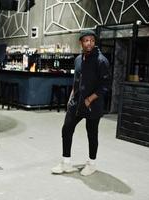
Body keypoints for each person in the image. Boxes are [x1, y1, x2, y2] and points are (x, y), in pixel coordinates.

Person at [51, 29, 111, 176]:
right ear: (81, 42)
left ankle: (92, 163)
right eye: (86, 40)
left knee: (92, 134)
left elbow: (105, 86)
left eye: (91, 40)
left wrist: (90, 99)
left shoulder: (101, 61)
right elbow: (76, 81)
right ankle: (66, 163)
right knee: (66, 129)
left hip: (93, 104)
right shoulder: (78, 59)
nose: (89, 43)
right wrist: (71, 97)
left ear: (94, 42)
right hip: (76, 102)